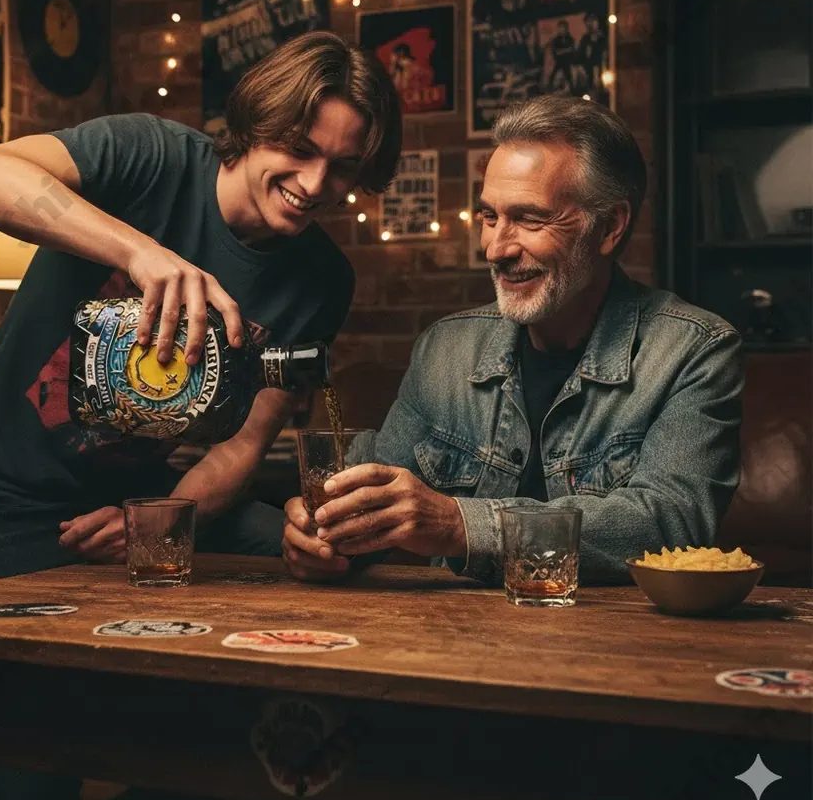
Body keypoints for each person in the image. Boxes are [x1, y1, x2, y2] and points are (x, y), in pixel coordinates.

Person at [0, 31, 400, 800]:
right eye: (298, 149)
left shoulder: (324, 278)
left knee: (333, 569)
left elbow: (242, 445)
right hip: (3, 493)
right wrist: (144, 254)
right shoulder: (150, 155)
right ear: (256, 124)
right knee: (40, 762)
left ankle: (181, 797)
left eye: (344, 166)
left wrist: (160, 523)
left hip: (148, 501)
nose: (316, 184)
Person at [282, 94, 743, 586]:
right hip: (454, 630)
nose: (495, 248)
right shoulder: (445, 348)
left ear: (609, 227)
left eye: (529, 218)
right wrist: (327, 539)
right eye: (489, 217)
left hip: (612, 630)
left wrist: (461, 525)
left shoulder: (694, 350)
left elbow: (669, 523)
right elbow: (378, 505)